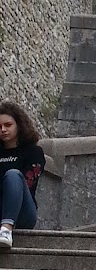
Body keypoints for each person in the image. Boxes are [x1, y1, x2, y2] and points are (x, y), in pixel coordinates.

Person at [0, 101, 46, 250]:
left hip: (23, 213)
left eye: (8, 125)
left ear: (18, 125)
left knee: (13, 175)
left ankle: (6, 229)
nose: (3, 130)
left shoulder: (33, 152)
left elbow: (28, 183)